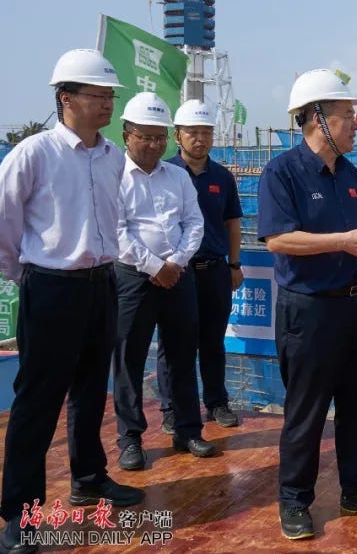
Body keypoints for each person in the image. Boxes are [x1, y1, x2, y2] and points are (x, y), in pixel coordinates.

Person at [257, 69, 357, 540]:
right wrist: (343, 242)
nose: (355, 123)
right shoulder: (281, 172)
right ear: (316, 120)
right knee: (306, 410)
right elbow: (278, 239)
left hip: (355, 305)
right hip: (308, 310)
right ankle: (294, 500)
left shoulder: (348, 172)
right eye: (347, 115)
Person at [0, 50, 144, 554]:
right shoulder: (34, 154)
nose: (108, 104)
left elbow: (118, 220)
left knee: (89, 391)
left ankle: (87, 477)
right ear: (66, 99)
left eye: (110, 96)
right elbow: (4, 225)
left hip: (101, 284)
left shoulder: (112, 158)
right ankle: (22, 515)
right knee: (36, 403)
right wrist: (32, 275)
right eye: (99, 95)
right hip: (52, 288)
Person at [112, 92, 215, 471]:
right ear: (127, 135)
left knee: (183, 354)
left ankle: (187, 429)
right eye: (145, 136)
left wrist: (175, 262)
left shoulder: (178, 177)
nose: (154, 144)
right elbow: (117, 231)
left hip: (177, 277)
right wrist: (155, 266)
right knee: (129, 359)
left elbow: (194, 222)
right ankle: (130, 439)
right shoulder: (115, 177)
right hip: (133, 278)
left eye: (159, 137)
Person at [157, 99, 243, 434]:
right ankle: (171, 408)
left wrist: (234, 263)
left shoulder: (222, 176)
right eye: (192, 132)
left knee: (212, 340)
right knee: (173, 343)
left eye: (206, 132)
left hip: (214, 270)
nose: (200, 138)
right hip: (177, 271)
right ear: (177, 135)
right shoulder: (164, 173)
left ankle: (217, 402)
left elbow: (232, 222)